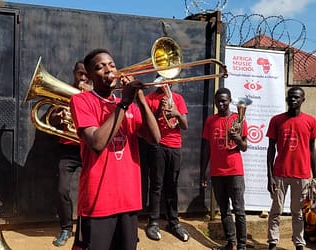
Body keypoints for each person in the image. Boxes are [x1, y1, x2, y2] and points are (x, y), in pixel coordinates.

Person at [69, 48, 161, 250]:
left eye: (111, 65)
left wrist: (141, 99)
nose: (108, 70)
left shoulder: (126, 104)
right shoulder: (81, 100)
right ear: (91, 76)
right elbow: (96, 143)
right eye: (100, 67)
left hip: (129, 200)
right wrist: (125, 103)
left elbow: (155, 138)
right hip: (97, 202)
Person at [266, 86, 316, 250]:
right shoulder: (276, 120)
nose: (293, 100)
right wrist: (270, 176)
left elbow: (312, 149)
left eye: (296, 97)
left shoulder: (310, 121)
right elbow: (271, 149)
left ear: (303, 100)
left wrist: (314, 176)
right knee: (275, 211)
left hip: (302, 176)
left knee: (298, 212)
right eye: (290, 97)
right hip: (280, 173)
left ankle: (299, 244)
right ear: (286, 99)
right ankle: (273, 242)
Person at [200, 87, 248, 250]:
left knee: (239, 210)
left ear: (230, 100)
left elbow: (244, 147)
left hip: (235, 171)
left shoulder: (238, 119)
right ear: (215, 102)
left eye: (224, 101)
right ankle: (231, 243)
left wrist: (238, 139)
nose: (221, 104)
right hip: (216, 172)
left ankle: (242, 246)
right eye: (218, 101)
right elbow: (206, 149)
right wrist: (202, 173)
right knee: (224, 210)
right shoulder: (210, 121)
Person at [144, 78, 190, 242]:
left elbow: (184, 125)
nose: (167, 83)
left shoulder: (178, 98)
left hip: (175, 146)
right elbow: (146, 125)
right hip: (157, 145)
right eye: (163, 79)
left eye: (169, 79)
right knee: (156, 184)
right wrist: (159, 111)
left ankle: (173, 222)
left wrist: (176, 113)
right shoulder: (149, 98)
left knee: (172, 184)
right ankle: (153, 221)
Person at [51, 60, 91, 247]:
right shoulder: (64, 92)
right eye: (79, 74)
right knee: (62, 190)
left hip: (89, 148)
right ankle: (66, 228)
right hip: (68, 149)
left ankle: (92, 227)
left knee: (93, 190)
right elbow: (50, 118)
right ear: (74, 73)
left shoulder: (94, 94)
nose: (82, 78)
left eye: (85, 74)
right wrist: (57, 117)